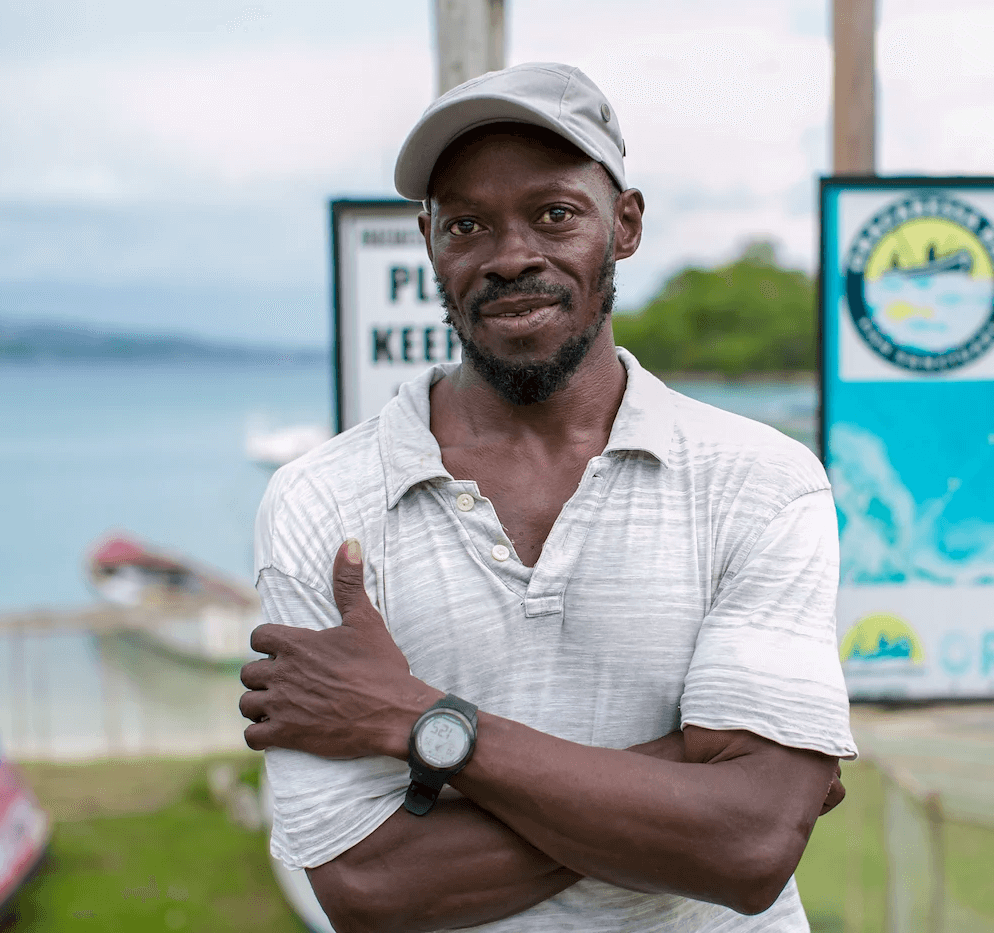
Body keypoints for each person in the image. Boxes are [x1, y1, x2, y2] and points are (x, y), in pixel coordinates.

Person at [237, 61, 856, 933]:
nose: (511, 254)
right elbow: (368, 891)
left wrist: (419, 720)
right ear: (428, 243)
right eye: (466, 223)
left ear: (625, 224)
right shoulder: (320, 503)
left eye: (555, 213)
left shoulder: (759, 481)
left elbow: (751, 848)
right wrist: (688, 785)